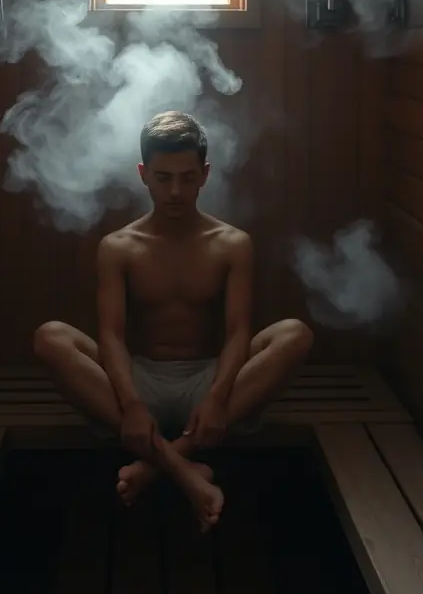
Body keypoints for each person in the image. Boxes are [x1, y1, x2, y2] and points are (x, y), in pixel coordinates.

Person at [33, 111, 314, 532]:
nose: (176, 191)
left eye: (187, 177)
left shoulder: (232, 244)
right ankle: (184, 469)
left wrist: (218, 398)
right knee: (50, 337)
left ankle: (157, 463)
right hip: (139, 378)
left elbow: (239, 330)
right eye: (163, 178)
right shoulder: (119, 247)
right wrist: (130, 404)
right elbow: (111, 334)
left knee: (295, 334)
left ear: (205, 174)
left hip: (208, 378)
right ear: (143, 175)